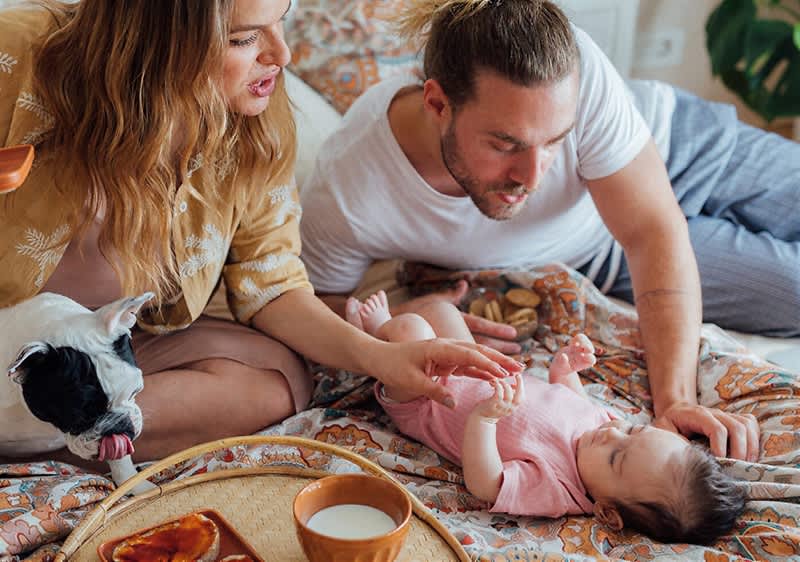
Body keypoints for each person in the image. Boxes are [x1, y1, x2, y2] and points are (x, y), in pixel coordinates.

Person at [0, 0, 523, 464]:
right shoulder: (17, 56)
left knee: (279, 381)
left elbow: (270, 282)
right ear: (157, 41)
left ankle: (63, 428)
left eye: (281, 20)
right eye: (244, 38)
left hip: (113, 340)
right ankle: (55, 426)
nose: (281, 54)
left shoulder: (254, 119)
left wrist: (380, 356)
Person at [299, 0, 779, 460]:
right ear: (437, 103)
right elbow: (315, 307)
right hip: (608, 254)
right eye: (505, 144)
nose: (533, 177)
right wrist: (406, 318)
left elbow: (652, 226)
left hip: (684, 146)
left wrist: (675, 401)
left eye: (555, 141)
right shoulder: (350, 188)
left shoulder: (571, 66)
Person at [348, 291, 747, 544]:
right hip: (472, 368)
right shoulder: (604, 429)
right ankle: (385, 334)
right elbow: (569, 399)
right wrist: (566, 367)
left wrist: (484, 421)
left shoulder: (558, 488)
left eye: (616, 458)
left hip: (428, 399)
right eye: (633, 429)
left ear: (606, 510)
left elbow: (486, 484)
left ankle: (371, 335)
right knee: (442, 310)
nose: (612, 433)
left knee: (411, 329)